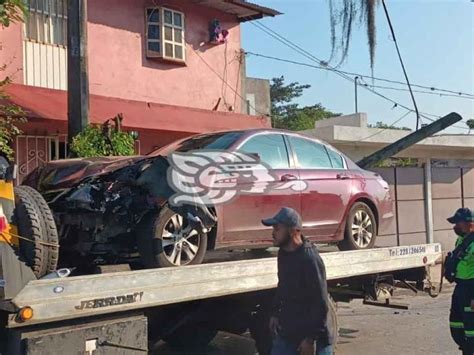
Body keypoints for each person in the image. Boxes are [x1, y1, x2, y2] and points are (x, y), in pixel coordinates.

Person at [262, 207, 332, 355]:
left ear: (294, 231)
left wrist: (310, 340)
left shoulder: (309, 259)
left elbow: (320, 303)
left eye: (277, 228)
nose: (273, 233)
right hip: (289, 331)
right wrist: (274, 313)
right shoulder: (283, 253)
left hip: (313, 336)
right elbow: (283, 286)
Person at [447, 208, 474, 355]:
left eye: (458, 223)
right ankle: (465, 348)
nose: (455, 226)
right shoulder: (462, 239)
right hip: (461, 287)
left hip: (471, 288)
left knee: (471, 329)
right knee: (456, 324)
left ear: (469, 223)